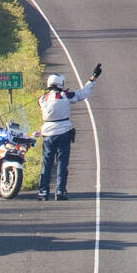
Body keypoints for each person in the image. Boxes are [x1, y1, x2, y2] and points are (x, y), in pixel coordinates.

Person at [36, 63, 101, 200]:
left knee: (46, 163)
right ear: (61, 84)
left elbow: (44, 103)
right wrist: (93, 78)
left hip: (47, 134)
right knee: (62, 163)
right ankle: (60, 191)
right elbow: (82, 94)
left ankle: (43, 191)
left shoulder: (42, 99)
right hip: (64, 133)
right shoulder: (66, 95)